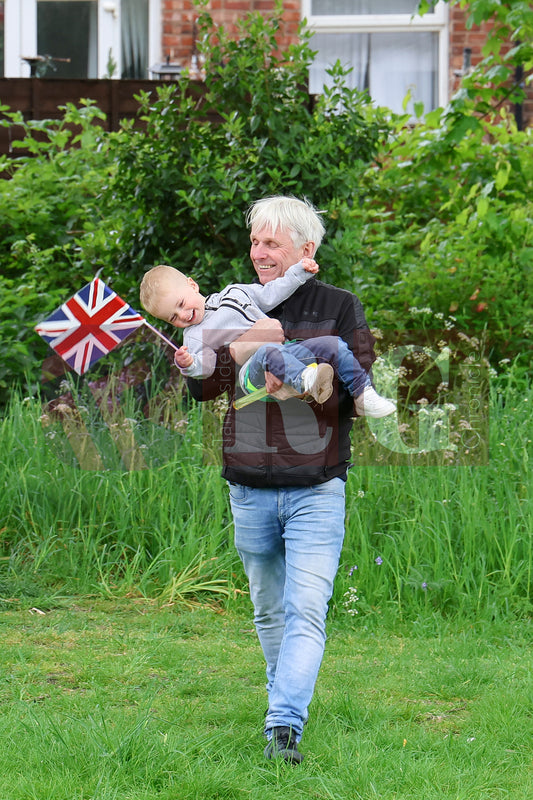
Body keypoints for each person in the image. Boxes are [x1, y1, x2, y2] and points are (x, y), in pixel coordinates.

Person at [174, 196, 379, 763]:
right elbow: (208, 388)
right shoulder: (234, 305)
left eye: (272, 245)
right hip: (249, 486)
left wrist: (314, 389)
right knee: (268, 611)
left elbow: (358, 387)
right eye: (255, 242)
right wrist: (195, 368)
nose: (259, 254)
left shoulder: (339, 306)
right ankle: (282, 694)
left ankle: (283, 724)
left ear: (305, 250)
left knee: (306, 610)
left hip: (317, 486)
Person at [139, 261, 395, 416]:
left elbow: (270, 294)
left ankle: (363, 395)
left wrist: (298, 273)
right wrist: (188, 364)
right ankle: (306, 380)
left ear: (192, 285)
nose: (183, 315)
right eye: (172, 317)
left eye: (181, 304)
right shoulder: (194, 336)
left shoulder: (234, 292)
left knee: (333, 344)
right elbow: (206, 366)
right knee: (266, 353)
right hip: (251, 373)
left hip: (283, 352)